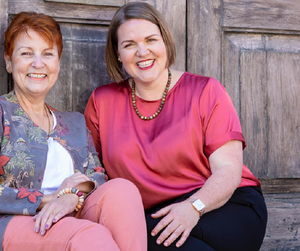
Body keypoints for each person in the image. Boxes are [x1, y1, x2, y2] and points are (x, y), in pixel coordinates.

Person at [0, 11, 147, 251]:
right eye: (26, 53)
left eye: (48, 54)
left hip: (68, 220)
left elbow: (97, 176)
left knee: (123, 191)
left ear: (58, 62)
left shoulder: (75, 123)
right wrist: (50, 199)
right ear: (9, 61)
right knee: (88, 236)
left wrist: (70, 198)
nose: (38, 63)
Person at [84, 2, 267, 251]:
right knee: (136, 235)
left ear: (165, 43)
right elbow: (90, 170)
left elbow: (228, 169)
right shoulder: (102, 101)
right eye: (129, 45)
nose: (142, 51)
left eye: (151, 40)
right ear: (118, 54)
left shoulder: (205, 91)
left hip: (221, 204)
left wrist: (193, 207)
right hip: (151, 215)